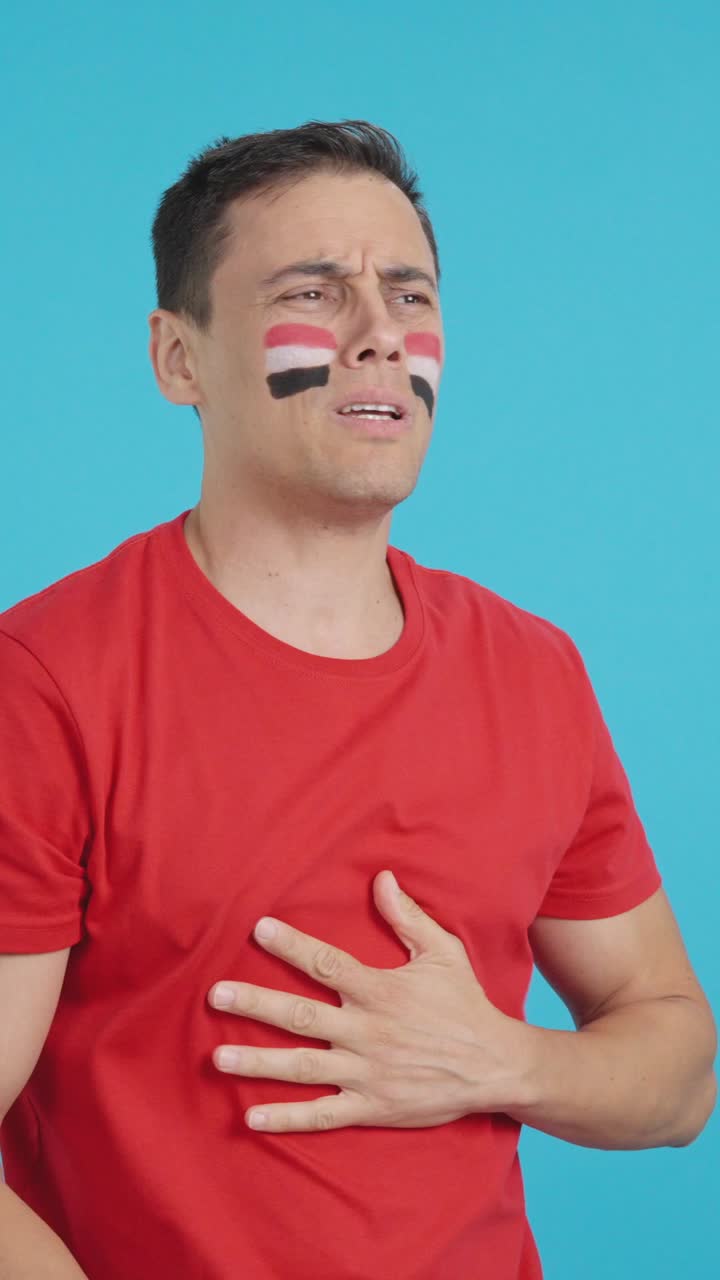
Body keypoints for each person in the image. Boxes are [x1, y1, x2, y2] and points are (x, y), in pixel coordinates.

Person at [0, 120, 716, 1280]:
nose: (382, 334)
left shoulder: (533, 670)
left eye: (410, 294)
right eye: (315, 290)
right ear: (179, 358)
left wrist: (498, 1058)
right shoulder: (45, 678)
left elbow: (679, 1066)